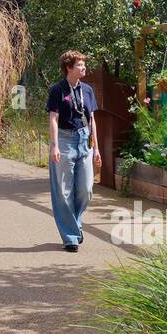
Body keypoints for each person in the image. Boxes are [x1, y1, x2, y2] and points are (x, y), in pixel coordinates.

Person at [46, 50, 101, 251]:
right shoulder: (57, 90)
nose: (84, 67)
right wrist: (55, 145)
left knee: (86, 189)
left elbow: (93, 119)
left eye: (83, 64)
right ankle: (70, 236)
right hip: (65, 139)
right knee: (63, 190)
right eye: (79, 65)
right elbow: (53, 118)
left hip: (84, 139)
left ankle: (75, 224)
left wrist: (96, 149)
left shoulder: (87, 90)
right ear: (69, 68)